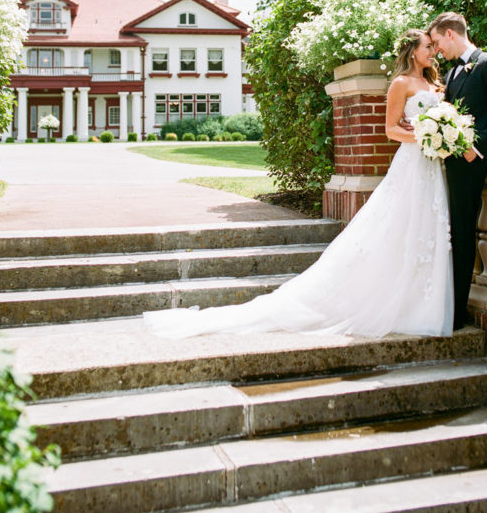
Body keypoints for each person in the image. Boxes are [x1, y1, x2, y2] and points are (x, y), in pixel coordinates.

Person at [143, 29, 453, 340]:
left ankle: (420, 302)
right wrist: (426, 136)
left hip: (433, 166)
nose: (434, 51)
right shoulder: (401, 84)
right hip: (412, 163)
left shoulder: (436, 83)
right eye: (428, 46)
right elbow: (390, 130)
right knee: (398, 225)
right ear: (413, 51)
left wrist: (442, 135)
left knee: (427, 227)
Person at [428, 13, 487, 331]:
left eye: (438, 42)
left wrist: (476, 148)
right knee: (450, 233)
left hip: (471, 165)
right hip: (449, 165)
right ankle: (444, 305)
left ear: (451, 34)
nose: (437, 50)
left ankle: (456, 314)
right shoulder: (452, 73)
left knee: (463, 234)